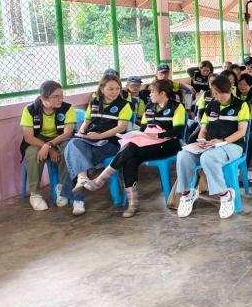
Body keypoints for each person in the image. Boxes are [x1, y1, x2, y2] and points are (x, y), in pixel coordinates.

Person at [75, 79, 186, 218]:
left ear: (162, 93)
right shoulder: (150, 106)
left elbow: (178, 132)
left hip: (169, 145)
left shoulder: (177, 107)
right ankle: (133, 203)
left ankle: (100, 180)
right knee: (130, 157)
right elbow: (144, 128)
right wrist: (141, 133)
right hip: (149, 143)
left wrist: (158, 134)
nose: (150, 94)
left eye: (152, 91)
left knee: (131, 149)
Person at [176, 75, 250, 218]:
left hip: (232, 145)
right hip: (210, 145)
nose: (218, 97)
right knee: (183, 155)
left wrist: (222, 141)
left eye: (221, 93)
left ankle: (225, 194)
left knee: (208, 158)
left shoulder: (241, 105)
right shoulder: (211, 106)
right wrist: (202, 139)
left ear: (229, 90)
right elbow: (203, 129)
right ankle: (187, 193)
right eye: (215, 94)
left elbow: (242, 132)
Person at [64, 74, 133, 216]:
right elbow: (87, 121)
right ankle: (83, 178)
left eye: (117, 88)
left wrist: (100, 136)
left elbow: (121, 127)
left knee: (78, 157)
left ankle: (78, 199)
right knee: (73, 143)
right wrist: (82, 131)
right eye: (110, 89)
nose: (115, 92)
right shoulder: (94, 102)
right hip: (91, 139)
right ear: (102, 89)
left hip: (111, 142)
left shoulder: (124, 105)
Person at [20, 81, 77, 211]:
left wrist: (49, 145)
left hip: (60, 138)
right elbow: (28, 137)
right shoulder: (30, 110)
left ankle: (62, 189)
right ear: (43, 97)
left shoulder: (68, 108)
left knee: (68, 149)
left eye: (61, 95)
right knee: (32, 153)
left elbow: (67, 133)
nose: (60, 99)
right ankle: (35, 194)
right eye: (55, 96)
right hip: (38, 140)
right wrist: (49, 148)